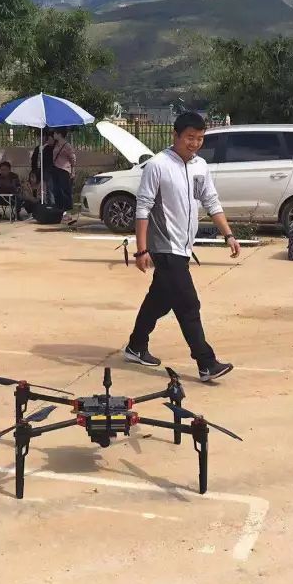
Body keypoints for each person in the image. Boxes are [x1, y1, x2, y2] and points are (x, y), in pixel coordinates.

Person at [123, 111, 242, 383]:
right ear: (175, 135)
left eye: (200, 138)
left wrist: (229, 235)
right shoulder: (158, 165)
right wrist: (141, 250)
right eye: (190, 137)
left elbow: (211, 201)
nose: (195, 143)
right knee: (189, 304)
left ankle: (136, 346)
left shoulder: (200, 166)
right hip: (165, 247)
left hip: (184, 246)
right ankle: (206, 363)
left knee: (159, 301)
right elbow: (143, 208)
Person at [50, 128, 76, 215]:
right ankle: (59, 208)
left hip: (64, 169)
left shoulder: (67, 145)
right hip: (56, 169)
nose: (53, 134)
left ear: (59, 134)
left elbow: (72, 158)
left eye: (55, 133)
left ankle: (67, 209)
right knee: (56, 189)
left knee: (64, 190)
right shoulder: (56, 144)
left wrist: (73, 170)